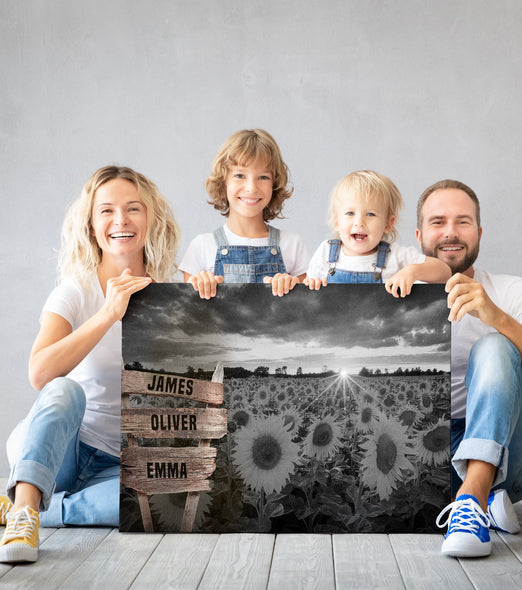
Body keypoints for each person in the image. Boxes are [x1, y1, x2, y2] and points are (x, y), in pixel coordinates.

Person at [0, 166, 180, 563]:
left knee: (164, 501)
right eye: (107, 211)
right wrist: (107, 314)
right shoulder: (76, 290)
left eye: (133, 208)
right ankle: (27, 506)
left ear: (151, 218)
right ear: (91, 223)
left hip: (117, 464)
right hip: (62, 450)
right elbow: (39, 373)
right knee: (65, 388)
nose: (121, 220)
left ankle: (35, 507)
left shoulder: (169, 292)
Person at [415, 179, 522, 558]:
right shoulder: (396, 291)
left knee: (495, 345)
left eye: (463, 221)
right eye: (438, 222)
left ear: (480, 232)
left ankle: (473, 497)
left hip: (516, 455)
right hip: (428, 458)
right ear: (419, 234)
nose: (451, 232)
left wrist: (496, 316)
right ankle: (489, 499)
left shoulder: (510, 290)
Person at [180, 128, 310, 297]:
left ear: (274, 184)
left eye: (263, 177)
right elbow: (187, 314)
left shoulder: (292, 244)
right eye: (240, 175)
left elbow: (307, 312)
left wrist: (293, 286)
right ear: (223, 181)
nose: (251, 188)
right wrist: (199, 286)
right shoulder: (201, 247)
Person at [305, 170, 451, 294]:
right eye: (350, 213)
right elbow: (307, 287)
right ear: (337, 221)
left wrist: (412, 271)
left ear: (388, 224)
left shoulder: (395, 255)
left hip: (382, 324)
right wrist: (312, 284)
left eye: (370, 214)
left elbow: (444, 272)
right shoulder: (326, 252)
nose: (359, 222)